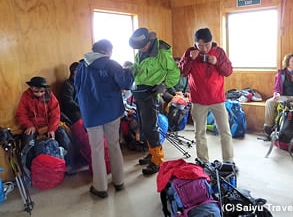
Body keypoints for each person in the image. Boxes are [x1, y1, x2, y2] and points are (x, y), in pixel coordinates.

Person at [74, 39, 134, 198]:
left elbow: (77, 88)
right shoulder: (112, 64)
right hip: (111, 111)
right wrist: (128, 70)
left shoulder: (81, 66)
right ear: (107, 51)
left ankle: (100, 188)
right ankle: (119, 181)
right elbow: (126, 84)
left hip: (91, 114)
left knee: (97, 149)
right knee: (114, 145)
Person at [179, 27, 236, 167]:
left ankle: (229, 161)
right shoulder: (190, 52)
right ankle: (203, 162)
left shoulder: (219, 52)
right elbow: (182, 73)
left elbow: (228, 71)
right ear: (195, 43)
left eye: (207, 45)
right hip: (198, 100)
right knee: (199, 133)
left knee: (225, 131)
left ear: (212, 42)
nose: (204, 49)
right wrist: (190, 59)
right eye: (200, 45)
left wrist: (217, 62)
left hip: (217, 99)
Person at [129, 27, 180, 175]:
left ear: (149, 41)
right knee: (144, 126)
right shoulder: (141, 52)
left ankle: (157, 160)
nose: (141, 49)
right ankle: (152, 153)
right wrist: (129, 70)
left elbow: (175, 72)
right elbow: (138, 70)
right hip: (139, 92)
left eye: (142, 46)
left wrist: (164, 86)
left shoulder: (162, 54)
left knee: (151, 127)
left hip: (151, 93)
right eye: (138, 47)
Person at [16, 76, 75, 173]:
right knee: (27, 141)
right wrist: (29, 125)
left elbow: (56, 113)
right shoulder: (26, 96)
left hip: (49, 125)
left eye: (41, 91)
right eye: (36, 91)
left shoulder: (50, 95)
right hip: (33, 126)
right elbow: (21, 113)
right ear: (31, 88)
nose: (39, 93)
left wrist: (52, 128)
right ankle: (30, 170)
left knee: (63, 135)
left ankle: (70, 165)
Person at [263, 53, 293, 136]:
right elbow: (277, 88)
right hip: (284, 96)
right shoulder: (281, 73)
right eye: (292, 61)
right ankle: (269, 127)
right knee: (269, 102)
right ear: (287, 62)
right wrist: (276, 94)